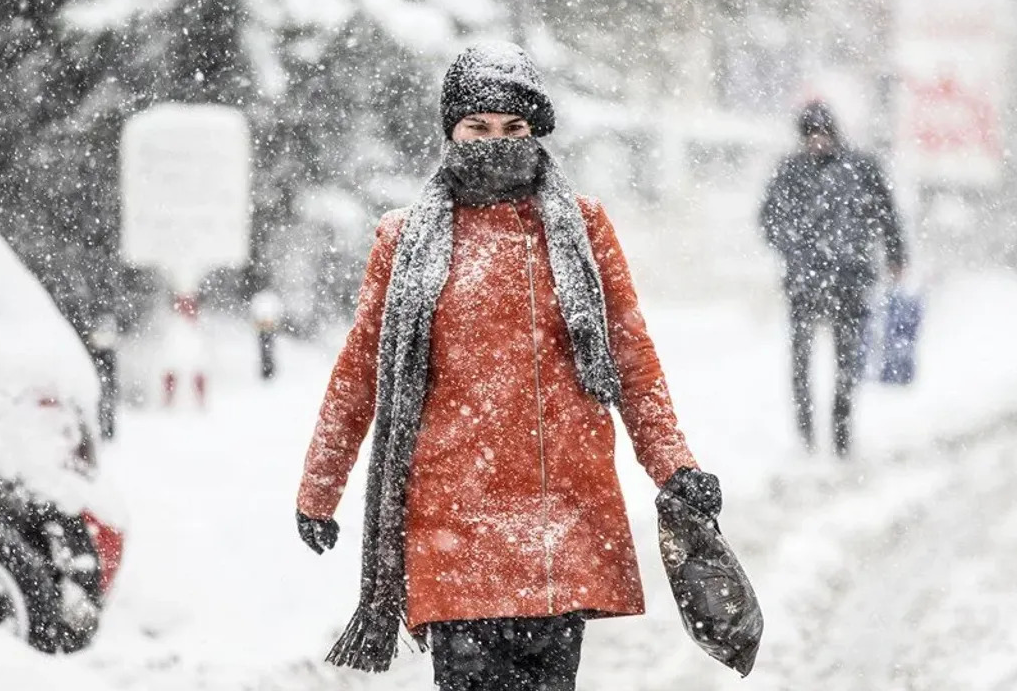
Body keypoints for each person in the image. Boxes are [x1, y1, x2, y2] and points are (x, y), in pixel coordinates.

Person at [293, 41, 722, 691]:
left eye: (513, 128)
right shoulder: (404, 241)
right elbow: (361, 374)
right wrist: (318, 492)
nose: (495, 142)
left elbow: (632, 360)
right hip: (454, 528)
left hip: (562, 520)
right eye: (478, 128)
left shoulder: (581, 230)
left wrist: (675, 465)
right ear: (451, 132)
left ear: (536, 131)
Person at [759, 101, 907, 457]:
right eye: (811, 134)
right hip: (805, 283)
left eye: (823, 133)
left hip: (850, 282)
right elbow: (768, 220)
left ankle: (841, 432)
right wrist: (794, 251)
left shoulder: (861, 169)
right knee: (801, 362)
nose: (818, 141)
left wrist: (895, 254)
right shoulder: (790, 172)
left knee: (846, 364)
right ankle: (806, 434)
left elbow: (886, 213)